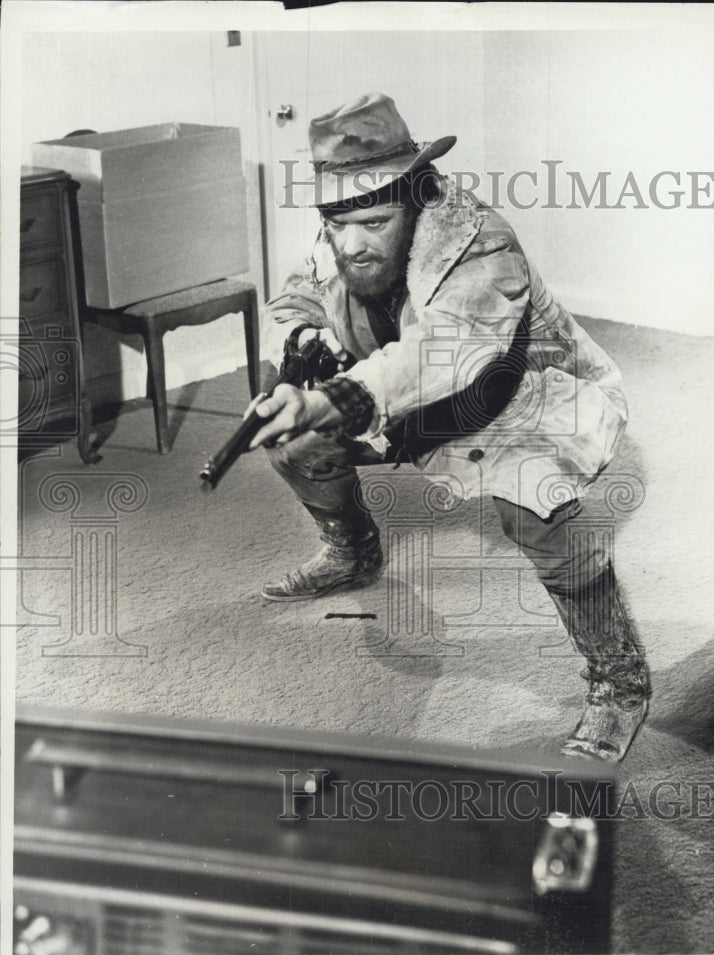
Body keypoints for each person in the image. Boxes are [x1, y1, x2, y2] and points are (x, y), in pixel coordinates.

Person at [248, 93, 650, 763]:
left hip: (516, 397)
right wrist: (296, 344)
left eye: (372, 221)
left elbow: (446, 352)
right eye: (336, 221)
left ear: (416, 192)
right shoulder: (346, 231)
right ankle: (351, 551)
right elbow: (295, 294)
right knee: (291, 442)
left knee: (539, 513)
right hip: (402, 405)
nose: (351, 243)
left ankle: (620, 680)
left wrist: (334, 397)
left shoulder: (480, 242)